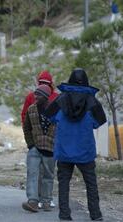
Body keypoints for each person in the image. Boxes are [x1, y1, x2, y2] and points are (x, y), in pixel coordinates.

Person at [45, 68, 106, 221]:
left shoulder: (60, 100)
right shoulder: (93, 102)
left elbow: (49, 117)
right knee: (91, 184)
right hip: (85, 151)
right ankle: (96, 215)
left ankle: (64, 215)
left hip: (64, 151)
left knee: (63, 184)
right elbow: (98, 122)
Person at [20, 70, 58, 209]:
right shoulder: (31, 109)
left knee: (48, 176)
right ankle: (33, 201)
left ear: (46, 97)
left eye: (38, 95)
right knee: (32, 173)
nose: (34, 97)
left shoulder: (56, 109)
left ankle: (46, 201)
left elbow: (60, 129)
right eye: (35, 94)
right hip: (35, 148)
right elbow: (26, 127)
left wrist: (55, 145)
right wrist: (31, 145)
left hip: (50, 149)